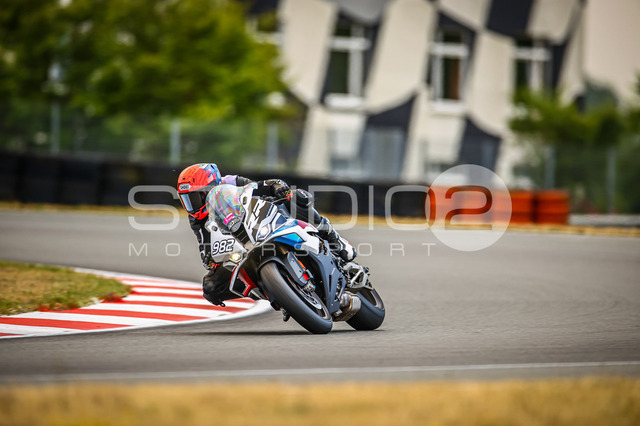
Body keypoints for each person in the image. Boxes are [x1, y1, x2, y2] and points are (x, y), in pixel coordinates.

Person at [177, 163, 355, 306]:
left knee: (296, 197)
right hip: (241, 244)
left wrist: (276, 187)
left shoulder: (230, 182)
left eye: (195, 197)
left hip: (260, 219)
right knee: (210, 288)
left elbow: (258, 187)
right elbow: (204, 244)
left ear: (211, 187)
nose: (192, 204)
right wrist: (210, 259)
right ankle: (275, 293)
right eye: (186, 199)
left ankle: (333, 238)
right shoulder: (196, 219)